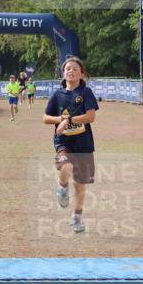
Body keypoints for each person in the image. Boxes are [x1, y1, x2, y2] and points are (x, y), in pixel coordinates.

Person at [43, 57, 99, 234]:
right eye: (68, 68)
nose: (71, 71)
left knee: (80, 185)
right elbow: (45, 118)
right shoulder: (57, 95)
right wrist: (60, 120)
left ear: (81, 73)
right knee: (65, 166)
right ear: (63, 72)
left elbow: (91, 117)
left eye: (75, 69)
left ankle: (77, 216)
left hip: (84, 144)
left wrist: (69, 121)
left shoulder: (86, 92)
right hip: (63, 142)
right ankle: (62, 186)